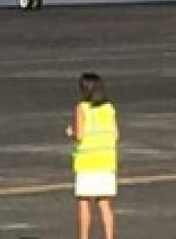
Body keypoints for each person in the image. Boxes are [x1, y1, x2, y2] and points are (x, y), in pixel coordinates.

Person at [67, 72, 118, 239]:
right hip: (106, 161)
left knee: (84, 202)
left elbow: (80, 135)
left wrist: (71, 133)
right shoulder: (109, 107)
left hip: (88, 162)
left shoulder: (82, 108)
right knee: (104, 203)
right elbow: (116, 133)